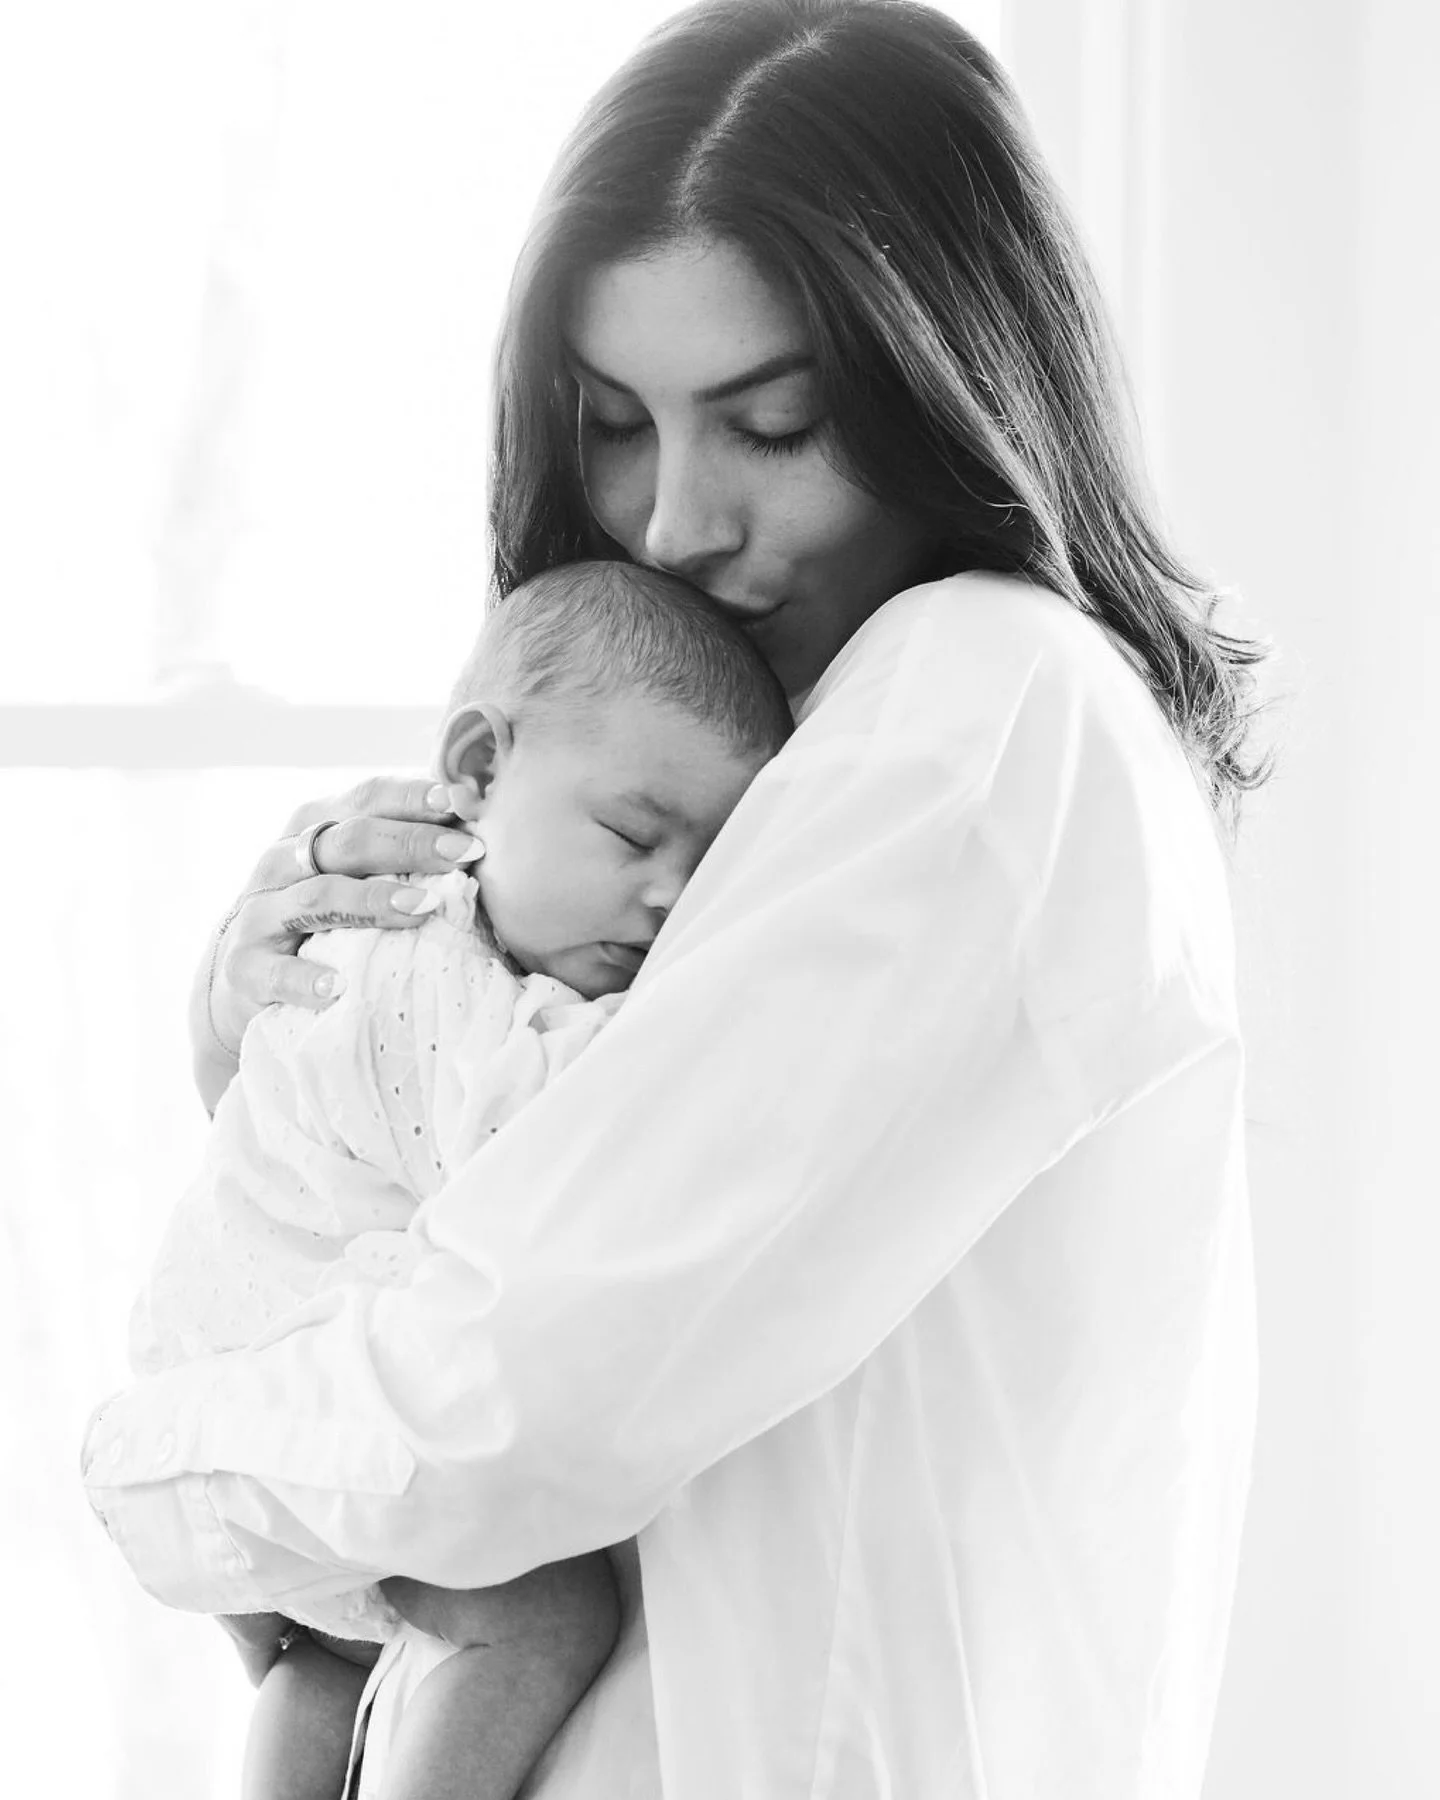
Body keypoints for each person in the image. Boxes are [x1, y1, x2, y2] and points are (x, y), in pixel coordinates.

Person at [82, 2, 1269, 1795]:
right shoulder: (768, 751)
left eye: (771, 422)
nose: (673, 523)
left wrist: (158, 1463)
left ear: (956, 390)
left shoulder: (978, 701)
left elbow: (516, 1389)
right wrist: (298, 1052)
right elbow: (511, 1240)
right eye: (613, 424)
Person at [122, 559, 791, 1800]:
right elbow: (546, 1144)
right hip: (282, 1399)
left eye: (708, 871)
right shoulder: (428, 971)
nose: (669, 897)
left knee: (325, 1665)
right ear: (478, 770)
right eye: (634, 835)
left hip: (235, 1378)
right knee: (545, 1617)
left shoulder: (398, 924)